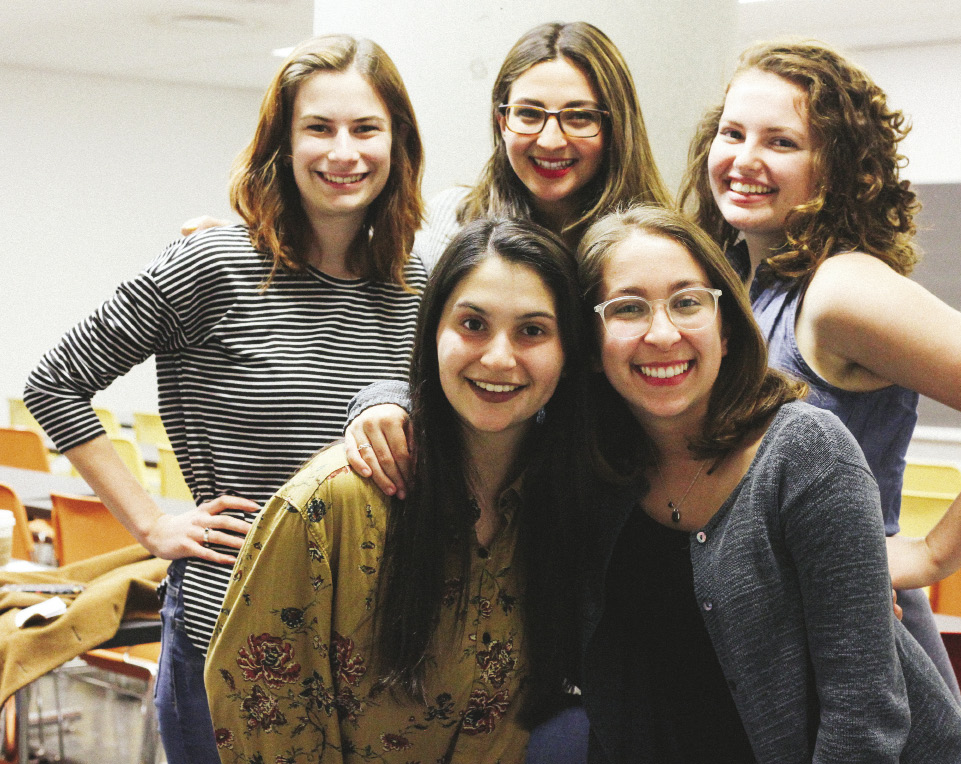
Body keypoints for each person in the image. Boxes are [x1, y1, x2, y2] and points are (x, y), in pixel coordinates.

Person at [24, 34, 426, 764]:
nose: (345, 152)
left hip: (369, 643)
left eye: (367, 129)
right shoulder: (215, 263)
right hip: (229, 628)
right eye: (319, 128)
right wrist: (151, 526)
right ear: (282, 141)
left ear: (398, 143)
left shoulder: (417, 287)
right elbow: (55, 383)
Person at [677, 40, 961, 698]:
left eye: (781, 142)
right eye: (733, 132)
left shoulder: (840, 287)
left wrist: (930, 556)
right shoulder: (745, 285)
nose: (745, 159)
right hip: (777, 634)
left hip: (856, 645)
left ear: (834, 168)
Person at [576, 205, 961, 763]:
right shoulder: (598, 477)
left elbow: (863, 721)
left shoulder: (806, 454)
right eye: (627, 308)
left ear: (724, 323)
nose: (663, 332)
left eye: (688, 301)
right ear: (589, 344)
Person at [205, 218, 591, 764]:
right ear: (433, 332)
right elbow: (267, 715)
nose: (499, 358)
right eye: (473, 324)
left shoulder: (568, 503)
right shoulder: (328, 506)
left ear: (568, 350)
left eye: (533, 331)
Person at [344, 20, 672, 495]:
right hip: (476, 492)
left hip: (620, 489)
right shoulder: (449, 222)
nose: (551, 140)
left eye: (579, 116)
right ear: (502, 121)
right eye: (529, 113)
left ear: (614, 124)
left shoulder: (650, 248)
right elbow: (407, 353)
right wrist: (384, 401)